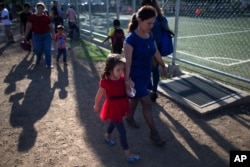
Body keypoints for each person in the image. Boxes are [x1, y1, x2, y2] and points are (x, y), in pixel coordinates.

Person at [123, 5, 167, 146]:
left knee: (135, 99)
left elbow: (155, 52)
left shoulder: (150, 35)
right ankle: (154, 133)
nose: (151, 26)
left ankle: (129, 117)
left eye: (153, 23)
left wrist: (163, 65)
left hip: (146, 74)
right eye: (149, 23)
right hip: (135, 77)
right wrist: (127, 80)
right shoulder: (130, 40)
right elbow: (128, 63)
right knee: (146, 103)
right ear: (140, 21)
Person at [94, 54, 140, 162]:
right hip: (112, 107)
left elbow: (127, 90)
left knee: (114, 122)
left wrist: (130, 87)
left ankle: (107, 136)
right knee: (122, 131)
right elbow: (99, 94)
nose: (121, 72)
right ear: (110, 70)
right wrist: (96, 104)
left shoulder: (123, 79)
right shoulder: (105, 82)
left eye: (122, 69)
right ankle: (128, 154)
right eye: (118, 70)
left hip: (121, 104)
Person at [141, 0, 173, 102]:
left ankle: (148, 91)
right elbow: (167, 30)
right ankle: (153, 91)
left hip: (146, 45)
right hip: (156, 46)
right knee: (154, 69)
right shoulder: (161, 18)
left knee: (146, 69)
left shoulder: (145, 19)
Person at [24, 2, 55, 69]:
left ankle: (49, 64)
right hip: (36, 36)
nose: (40, 10)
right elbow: (28, 27)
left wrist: (53, 35)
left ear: (44, 9)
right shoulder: (32, 16)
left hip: (46, 35)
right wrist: (25, 35)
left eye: (42, 8)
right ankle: (38, 58)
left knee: (47, 50)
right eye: (39, 8)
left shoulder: (46, 17)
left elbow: (51, 27)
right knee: (37, 49)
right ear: (36, 8)